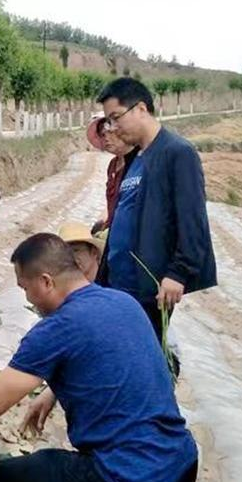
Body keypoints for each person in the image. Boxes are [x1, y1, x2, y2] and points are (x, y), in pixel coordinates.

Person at [0, 234, 199, 482]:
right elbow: (105, 359)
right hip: (182, 467)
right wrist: (51, 393)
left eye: (25, 288)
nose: (26, 298)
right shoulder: (124, 301)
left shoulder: (56, 328)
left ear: (45, 282)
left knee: (10, 476)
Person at [95, 77, 217, 352]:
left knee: (138, 359)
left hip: (147, 289)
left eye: (115, 117)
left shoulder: (177, 153)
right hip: (118, 282)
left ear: (140, 108)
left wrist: (178, 273)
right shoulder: (137, 157)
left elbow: (193, 221)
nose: (112, 127)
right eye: (108, 120)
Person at [86, 115, 137, 235]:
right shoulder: (113, 165)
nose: (106, 139)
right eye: (103, 135)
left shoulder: (139, 163)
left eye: (110, 133)